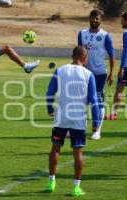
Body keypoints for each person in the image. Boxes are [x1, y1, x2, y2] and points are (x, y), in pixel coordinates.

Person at [46, 46, 100, 196]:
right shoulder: (88, 74)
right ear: (84, 58)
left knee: (55, 148)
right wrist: (96, 123)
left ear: (72, 56)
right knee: (77, 153)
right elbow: (94, 101)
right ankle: (76, 187)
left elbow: (50, 92)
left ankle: (51, 182)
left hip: (61, 118)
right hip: (78, 119)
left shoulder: (60, 70)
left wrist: (50, 108)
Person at [78, 9, 115, 140]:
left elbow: (111, 55)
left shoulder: (105, 36)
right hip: (84, 73)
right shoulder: (82, 34)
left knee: (98, 102)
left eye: (97, 18)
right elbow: (78, 54)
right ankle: (79, 129)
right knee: (81, 102)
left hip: (100, 74)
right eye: (93, 18)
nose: (95, 20)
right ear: (89, 19)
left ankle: (97, 131)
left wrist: (111, 73)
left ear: (100, 20)